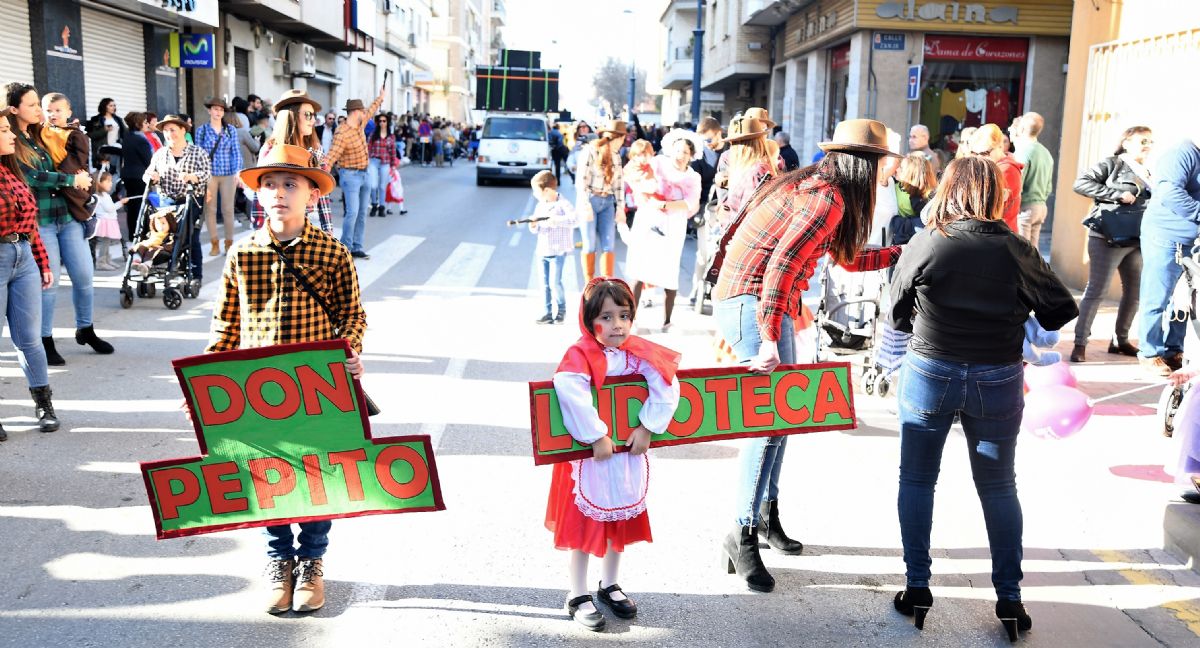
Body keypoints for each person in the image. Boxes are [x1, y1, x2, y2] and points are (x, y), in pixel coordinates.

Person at [888, 155, 1077, 641]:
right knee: (998, 486)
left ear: (947, 189)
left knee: (917, 478)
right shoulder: (1015, 248)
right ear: (997, 194)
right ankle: (1010, 599)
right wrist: (1015, 306)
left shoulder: (929, 239)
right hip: (996, 373)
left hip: (932, 365)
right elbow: (1058, 311)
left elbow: (896, 312)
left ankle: (917, 586)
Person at [713, 119, 902, 593]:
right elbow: (779, 265)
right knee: (766, 421)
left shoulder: (828, 191)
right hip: (753, 303)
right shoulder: (826, 197)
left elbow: (848, 258)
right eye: (882, 162)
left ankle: (763, 516)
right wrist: (769, 337)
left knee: (784, 418)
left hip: (767, 303)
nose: (888, 171)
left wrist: (904, 251)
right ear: (866, 163)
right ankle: (741, 532)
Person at [208, 143, 365, 614]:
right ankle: (280, 562)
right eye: (270, 184)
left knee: (315, 477)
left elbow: (353, 316)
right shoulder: (243, 253)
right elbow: (225, 324)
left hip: (317, 389)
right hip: (257, 391)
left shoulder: (333, 253)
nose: (279, 193)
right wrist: (207, 381)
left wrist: (351, 351)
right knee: (268, 477)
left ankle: (313, 562)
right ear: (258, 195)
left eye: (291, 184)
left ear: (312, 195)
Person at [545, 277, 680, 632]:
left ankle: (609, 584)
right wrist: (596, 435)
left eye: (623, 315)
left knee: (619, 517)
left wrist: (648, 425)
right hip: (591, 458)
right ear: (589, 320)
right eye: (606, 317)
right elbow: (569, 390)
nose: (616, 325)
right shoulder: (580, 355)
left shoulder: (638, 351)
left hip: (626, 456)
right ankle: (577, 593)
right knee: (585, 526)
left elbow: (667, 381)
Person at [6, 83, 112, 368]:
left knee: (84, 277)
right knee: (48, 284)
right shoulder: (10, 139)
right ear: (14, 109)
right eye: (33, 105)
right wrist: (71, 180)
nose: (40, 111)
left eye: (41, 106)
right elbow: (31, 177)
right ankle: (45, 340)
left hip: (68, 216)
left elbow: (71, 141)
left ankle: (85, 329)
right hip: (40, 222)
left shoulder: (41, 132)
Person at [1069, 126, 1153, 364]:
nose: (1147, 146)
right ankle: (1080, 343)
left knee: (1134, 292)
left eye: (1150, 142)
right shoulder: (1113, 164)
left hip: (1136, 238)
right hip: (1107, 236)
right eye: (1142, 141)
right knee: (1097, 291)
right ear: (1126, 143)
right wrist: (1116, 194)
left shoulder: (1148, 172)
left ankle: (1120, 340)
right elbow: (1081, 183)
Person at [0, 110, 60, 436]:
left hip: (23, 258)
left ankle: (44, 404)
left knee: (29, 340)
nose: (12, 136)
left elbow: (30, 224)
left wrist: (42, 261)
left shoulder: (13, 171)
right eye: (4, 130)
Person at [1136, 135, 1200, 376]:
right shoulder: (1181, 153)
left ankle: (1174, 349)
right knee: (1157, 296)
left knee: (1185, 299)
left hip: (1191, 241)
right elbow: (1169, 193)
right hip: (1166, 236)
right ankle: (1149, 352)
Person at [624, 133, 702, 331]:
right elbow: (634, 171)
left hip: (674, 224)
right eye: (678, 150)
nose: (680, 155)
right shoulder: (658, 163)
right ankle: (631, 320)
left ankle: (667, 321)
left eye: (685, 152)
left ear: (691, 155)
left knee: (669, 270)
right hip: (649, 217)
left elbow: (690, 203)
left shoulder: (693, 177)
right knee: (640, 270)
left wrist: (665, 203)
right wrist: (642, 191)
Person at [254, 90, 335, 233]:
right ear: (291, 116)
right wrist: (259, 231)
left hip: (305, 226)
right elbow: (260, 190)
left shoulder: (316, 150)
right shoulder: (270, 149)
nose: (313, 120)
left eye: (314, 115)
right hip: (276, 228)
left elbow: (322, 194)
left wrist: (328, 231)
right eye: (308, 115)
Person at [326, 79, 389, 260]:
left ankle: (357, 247)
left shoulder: (360, 123)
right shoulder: (342, 133)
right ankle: (345, 249)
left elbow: (372, 109)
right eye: (362, 111)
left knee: (362, 212)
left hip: (365, 173)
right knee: (352, 212)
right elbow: (331, 156)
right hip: (350, 175)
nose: (365, 113)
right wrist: (323, 174)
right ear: (355, 112)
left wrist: (381, 97)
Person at [143, 115, 211, 283]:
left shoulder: (197, 152)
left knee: (189, 237)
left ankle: (196, 274)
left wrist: (192, 176)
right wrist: (151, 176)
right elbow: (147, 174)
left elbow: (207, 174)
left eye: (172, 130)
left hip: (191, 200)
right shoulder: (160, 154)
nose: (169, 134)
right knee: (163, 236)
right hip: (166, 202)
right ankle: (161, 265)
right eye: (165, 131)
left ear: (182, 130)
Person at [575, 120, 627, 282]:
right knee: (589, 245)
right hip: (590, 200)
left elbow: (618, 185)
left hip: (607, 202)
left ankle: (606, 283)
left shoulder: (617, 156)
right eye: (623, 139)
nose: (623, 143)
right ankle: (589, 283)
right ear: (618, 138)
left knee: (608, 245)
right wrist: (585, 204)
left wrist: (620, 208)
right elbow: (581, 181)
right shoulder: (590, 151)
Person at [525, 170, 577, 323]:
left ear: (547, 190)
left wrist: (556, 220)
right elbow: (537, 229)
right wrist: (533, 225)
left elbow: (575, 220)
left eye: (537, 192)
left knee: (555, 283)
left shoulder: (564, 204)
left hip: (558, 250)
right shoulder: (541, 205)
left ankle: (561, 310)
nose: (535, 195)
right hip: (542, 250)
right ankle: (547, 312)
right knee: (544, 284)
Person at [195, 98, 243, 256]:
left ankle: (229, 243)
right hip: (209, 175)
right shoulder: (201, 131)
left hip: (228, 174)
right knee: (210, 209)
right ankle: (214, 243)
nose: (218, 112)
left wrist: (238, 172)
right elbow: (198, 155)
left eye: (221, 110)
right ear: (209, 111)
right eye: (215, 109)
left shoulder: (230, 130)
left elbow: (236, 152)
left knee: (228, 210)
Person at [967, 124, 1023, 232]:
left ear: (1000, 146)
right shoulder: (995, 166)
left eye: (985, 153)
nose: (980, 157)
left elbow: (986, 206)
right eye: (975, 153)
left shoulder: (1006, 169)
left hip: (1000, 234)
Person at [1013, 112, 1054, 245]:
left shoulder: (1023, 151)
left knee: (1022, 250)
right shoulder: (1046, 152)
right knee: (1032, 250)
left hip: (1025, 207)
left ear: (1023, 128)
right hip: (1041, 206)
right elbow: (1048, 187)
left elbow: (1017, 182)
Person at [120, 112, 154, 243]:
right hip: (140, 176)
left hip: (128, 175)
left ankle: (133, 234)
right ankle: (142, 233)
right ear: (137, 124)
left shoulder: (128, 136)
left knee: (132, 205)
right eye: (145, 122)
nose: (147, 124)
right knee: (141, 205)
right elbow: (149, 160)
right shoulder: (141, 140)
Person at [91, 171, 126, 270]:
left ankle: (107, 259)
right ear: (99, 183)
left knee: (107, 241)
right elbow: (110, 208)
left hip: (108, 221)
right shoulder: (100, 196)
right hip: (104, 222)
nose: (111, 183)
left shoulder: (105, 195)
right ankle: (101, 261)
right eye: (108, 181)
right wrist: (120, 203)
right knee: (104, 242)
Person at [366, 114, 397, 218]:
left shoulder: (391, 136)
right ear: (377, 123)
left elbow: (393, 152)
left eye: (384, 121)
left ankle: (382, 207)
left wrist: (393, 166)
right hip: (373, 161)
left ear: (387, 122)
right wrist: (367, 161)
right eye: (380, 121)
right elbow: (368, 148)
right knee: (373, 185)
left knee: (382, 186)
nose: (382, 123)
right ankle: (374, 205)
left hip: (385, 163)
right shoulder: (372, 135)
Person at [85, 98, 124, 171]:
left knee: (117, 170)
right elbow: (91, 135)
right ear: (104, 106)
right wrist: (104, 130)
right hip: (103, 149)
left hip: (116, 147)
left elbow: (124, 133)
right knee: (104, 171)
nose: (113, 107)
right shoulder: (96, 119)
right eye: (111, 105)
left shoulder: (118, 119)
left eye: (114, 105)